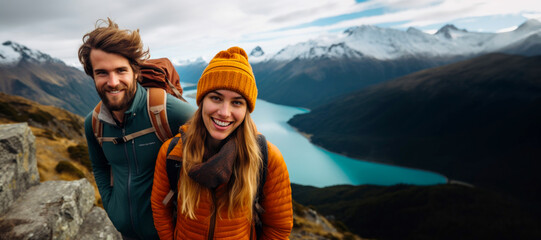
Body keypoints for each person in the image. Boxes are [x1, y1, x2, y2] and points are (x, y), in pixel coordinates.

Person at [151, 46, 293, 239]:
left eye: (237, 102)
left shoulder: (266, 158)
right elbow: (161, 210)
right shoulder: (173, 152)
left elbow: (279, 227)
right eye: (216, 98)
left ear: (246, 109)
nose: (224, 113)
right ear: (201, 101)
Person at [79, 18, 195, 240]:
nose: (113, 82)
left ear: (135, 71)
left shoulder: (169, 112)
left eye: (121, 70)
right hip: (127, 234)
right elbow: (99, 166)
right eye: (102, 72)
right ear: (92, 75)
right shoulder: (93, 124)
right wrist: (112, 207)